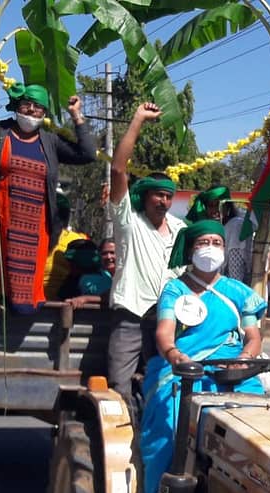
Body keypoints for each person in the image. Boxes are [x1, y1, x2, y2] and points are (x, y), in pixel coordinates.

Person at [139, 219, 267, 493]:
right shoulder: (174, 290)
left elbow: (253, 336)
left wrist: (244, 358)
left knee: (259, 428)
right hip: (183, 371)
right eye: (203, 243)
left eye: (217, 243)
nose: (210, 248)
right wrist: (175, 356)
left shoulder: (239, 292)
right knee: (171, 431)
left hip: (232, 370)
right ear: (190, 250)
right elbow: (164, 333)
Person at [0, 83, 97, 313]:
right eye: (26, 104)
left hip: (36, 229)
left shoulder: (50, 141)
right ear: (17, 106)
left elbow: (88, 154)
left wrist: (76, 115)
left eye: (38, 106)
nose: (31, 110)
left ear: (44, 113)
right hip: (2, 222)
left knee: (28, 292)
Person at [107, 102, 187, 404]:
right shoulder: (129, 222)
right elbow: (118, 169)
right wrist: (138, 119)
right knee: (119, 387)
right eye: (158, 195)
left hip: (167, 320)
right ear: (146, 196)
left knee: (166, 386)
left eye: (168, 196)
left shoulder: (180, 229)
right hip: (130, 315)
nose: (163, 201)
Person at [65, 238, 116, 309]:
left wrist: (86, 298)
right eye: (104, 253)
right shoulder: (88, 278)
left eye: (112, 252)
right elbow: (113, 296)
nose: (108, 257)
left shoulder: (127, 274)